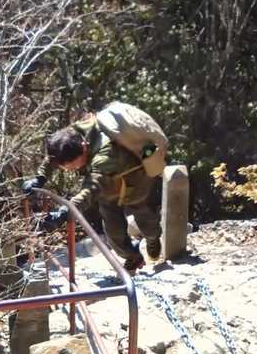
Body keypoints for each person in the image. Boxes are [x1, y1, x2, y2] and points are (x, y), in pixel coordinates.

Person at [29, 107, 163, 270]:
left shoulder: (103, 156)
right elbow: (55, 155)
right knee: (114, 232)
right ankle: (133, 257)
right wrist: (40, 177)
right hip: (107, 188)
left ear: (84, 148)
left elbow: (90, 189)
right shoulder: (75, 134)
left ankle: (153, 240)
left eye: (72, 167)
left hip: (135, 182)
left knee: (146, 221)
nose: (69, 170)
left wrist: (65, 212)